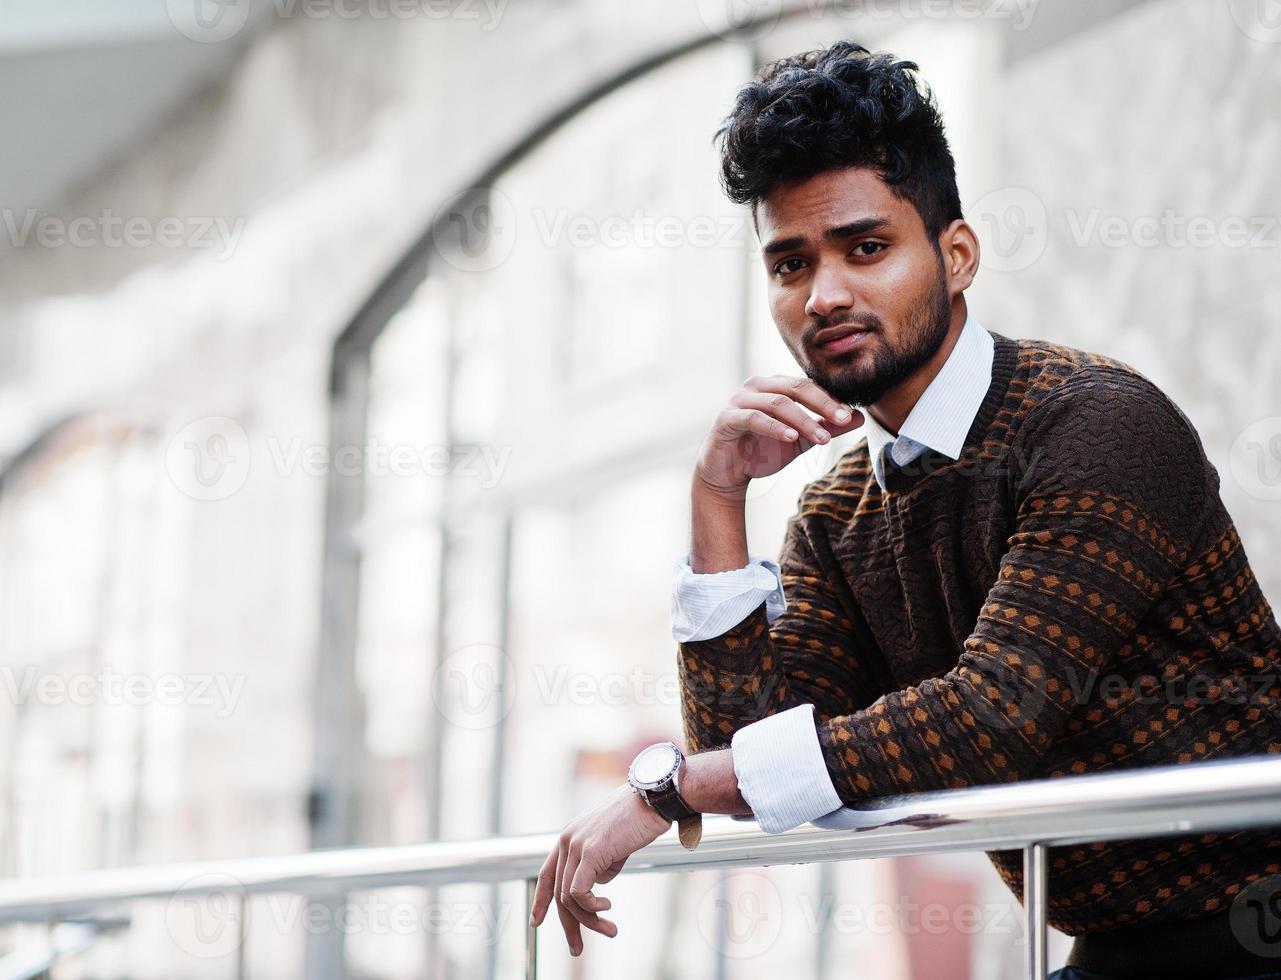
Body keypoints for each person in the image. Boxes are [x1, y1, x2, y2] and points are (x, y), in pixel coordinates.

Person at [530, 40, 1281, 979]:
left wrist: (667, 792)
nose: (826, 295)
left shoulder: (1094, 423)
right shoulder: (837, 506)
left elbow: (990, 716)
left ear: (955, 254)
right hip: (1110, 949)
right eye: (791, 264)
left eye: (866, 247)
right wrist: (717, 501)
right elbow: (752, 756)